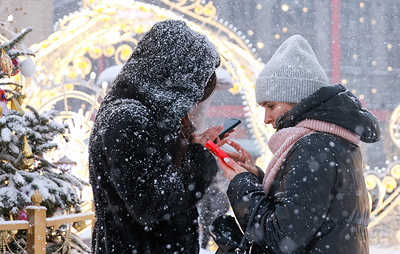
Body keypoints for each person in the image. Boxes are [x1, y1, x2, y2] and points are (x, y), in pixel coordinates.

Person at [211, 35, 380, 253]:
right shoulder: (334, 141)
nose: (266, 118)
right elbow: (306, 215)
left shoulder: (314, 148)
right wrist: (256, 178)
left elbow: (281, 239)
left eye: (271, 106)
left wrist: (242, 184)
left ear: (297, 99)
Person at [88, 19, 223, 253]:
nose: (192, 103)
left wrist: (194, 148)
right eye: (193, 92)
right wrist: (201, 160)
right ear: (175, 77)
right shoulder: (129, 119)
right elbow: (152, 203)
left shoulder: (145, 113)